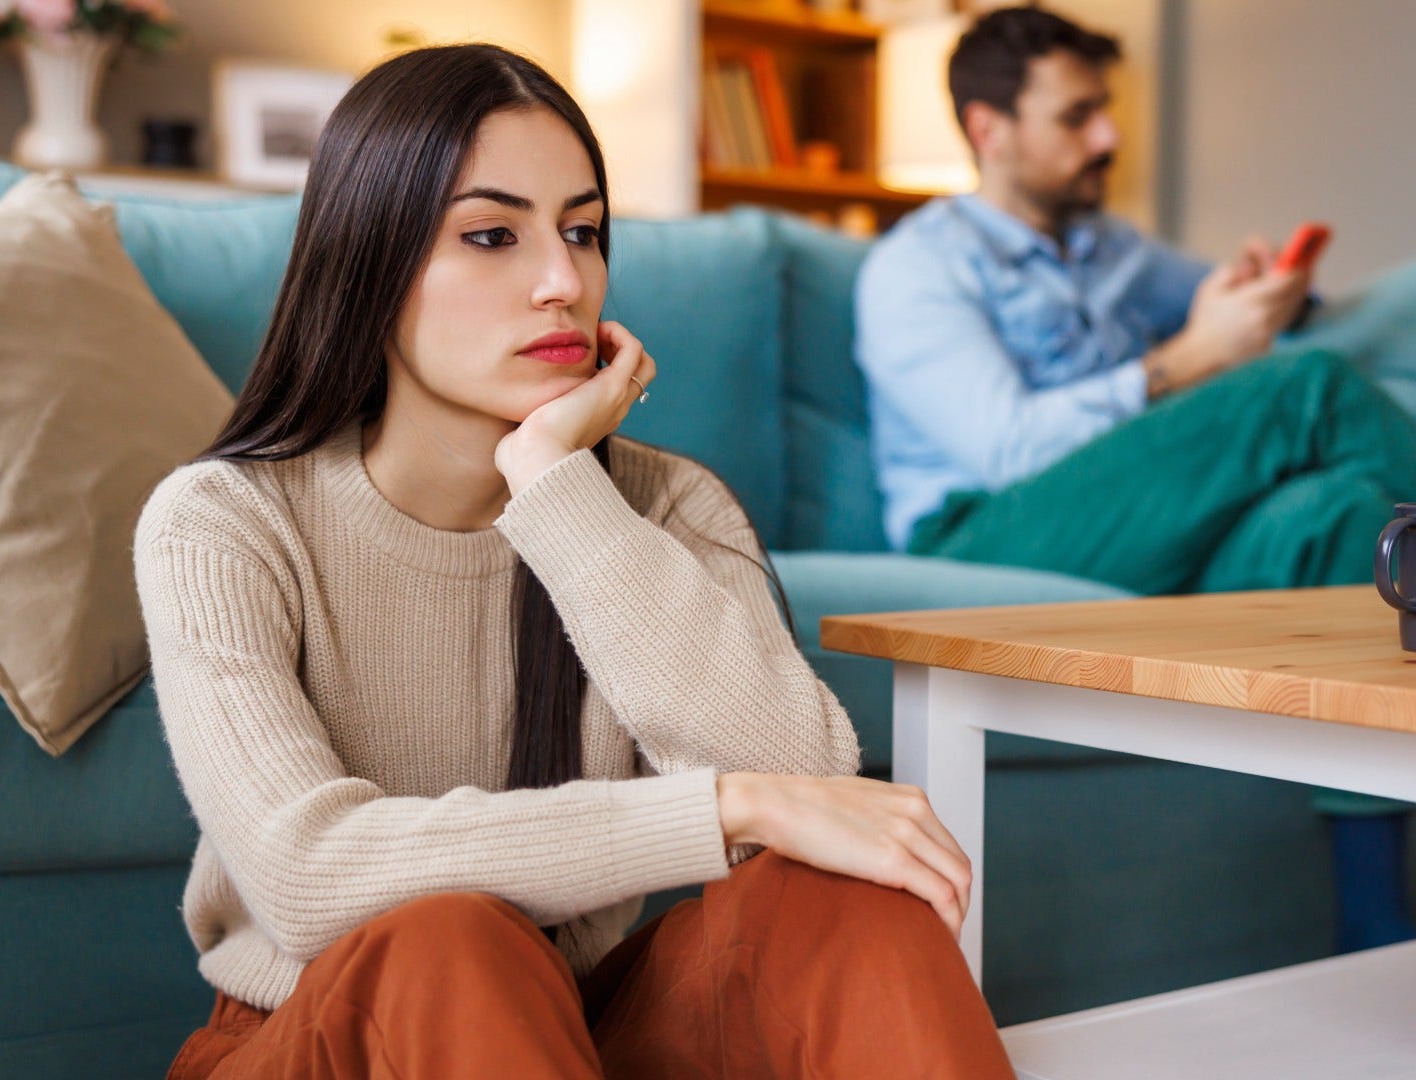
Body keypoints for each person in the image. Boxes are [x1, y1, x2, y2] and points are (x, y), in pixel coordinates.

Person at [137, 44, 1014, 1079]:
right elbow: (306, 877)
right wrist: (728, 807)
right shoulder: (223, 519)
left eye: (584, 231)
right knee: (449, 936)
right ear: (370, 260)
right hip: (325, 1038)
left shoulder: (664, 502)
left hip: (576, 1028)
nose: (562, 281)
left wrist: (557, 486)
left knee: (839, 893)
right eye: (493, 234)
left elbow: (807, 784)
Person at [854, 6, 1416, 952]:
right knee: (1302, 388)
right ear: (990, 130)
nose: (1107, 137)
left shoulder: (1113, 249)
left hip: (1144, 536)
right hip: (986, 535)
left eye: (1103, 110)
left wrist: (1263, 287)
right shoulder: (915, 268)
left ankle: (1374, 919)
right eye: (1076, 117)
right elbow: (1009, 449)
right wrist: (1191, 358)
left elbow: (1249, 305)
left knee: (1340, 514)